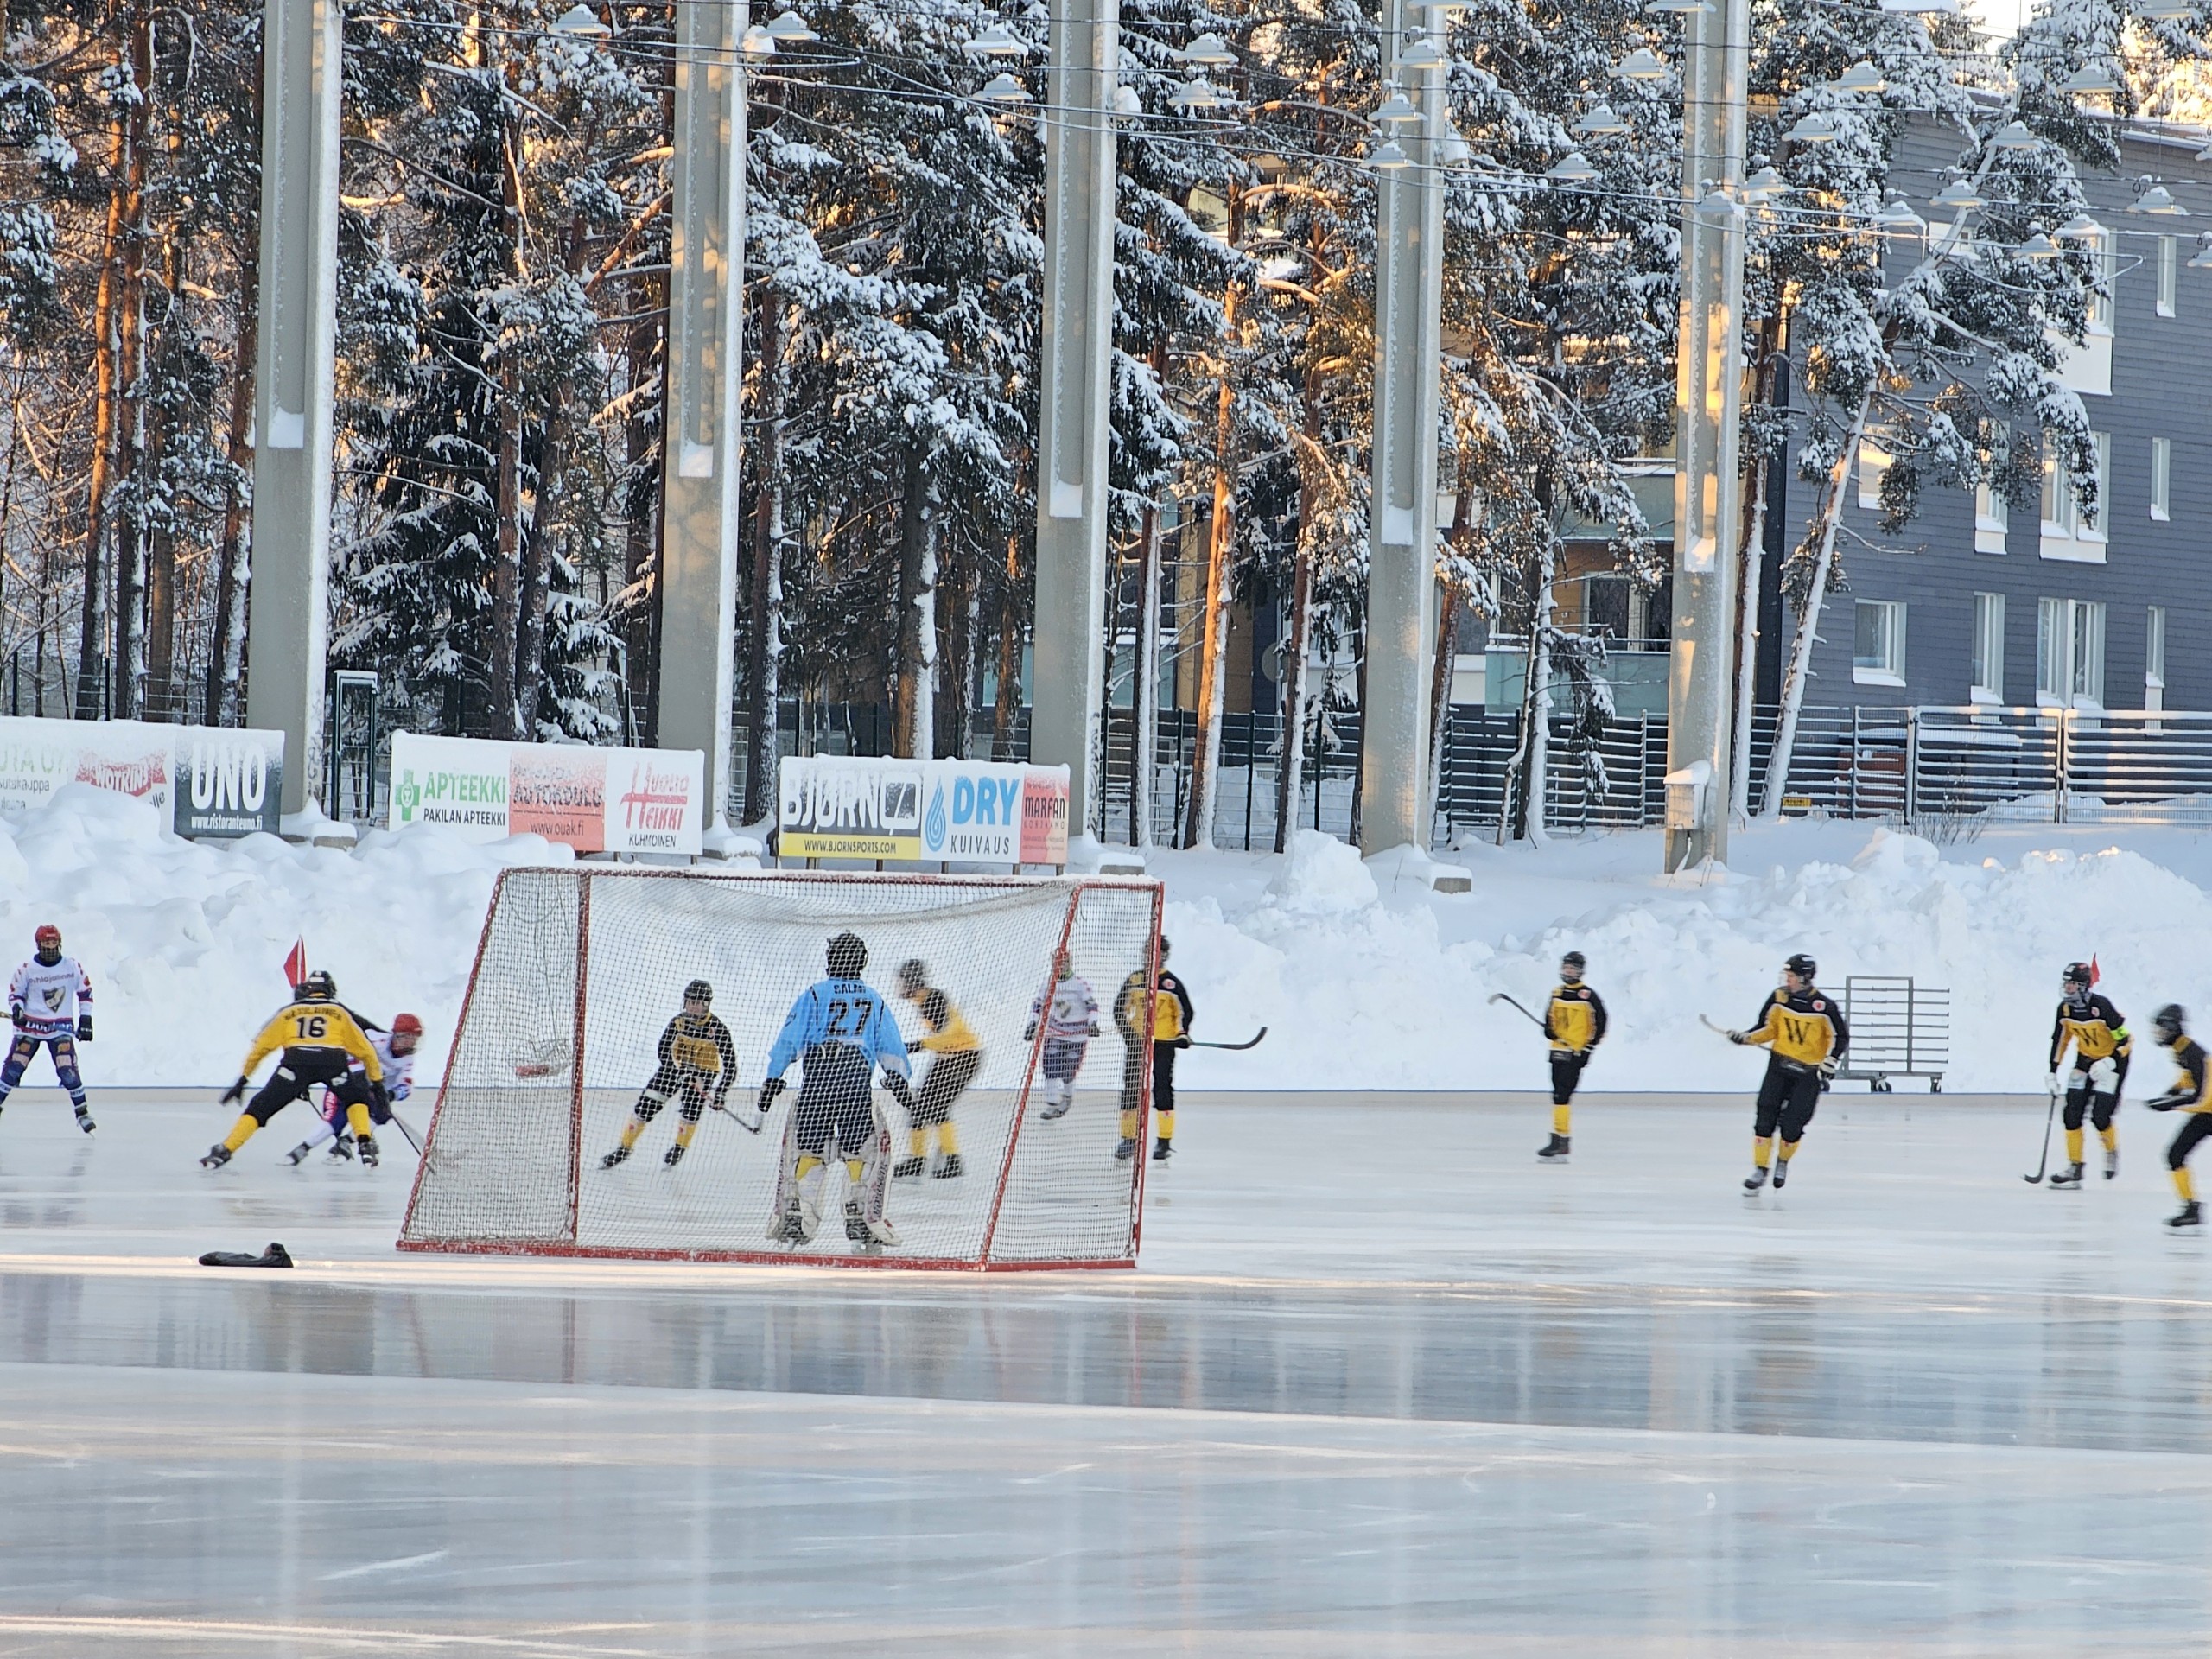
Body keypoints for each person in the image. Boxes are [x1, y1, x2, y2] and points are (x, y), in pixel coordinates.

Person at [757, 931, 914, 1246]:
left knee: (810, 1147)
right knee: (861, 1149)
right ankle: (858, 1217)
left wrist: (774, 1077)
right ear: (862, 962)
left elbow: (790, 1038)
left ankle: (799, 1216)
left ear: (831, 960)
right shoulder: (872, 998)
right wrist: (898, 1079)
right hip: (854, 1078)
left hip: (818, 1077)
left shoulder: (815, 995)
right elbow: (890, 1044)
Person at [201, 971, 386, 1168]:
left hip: (295, 1064)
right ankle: (365, 1142)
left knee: (259, 1108)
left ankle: (226, 1149)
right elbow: (367, 1051)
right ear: (330, 991)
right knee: (355, 1099)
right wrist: (377, 1084)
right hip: (332, 1062)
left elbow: (261, 1048)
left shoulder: (288, 1012)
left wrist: (243, 1079)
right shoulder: (339, 1012)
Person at [1726, 952, 1847, 1192]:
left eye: (1792, 976)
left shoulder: (1825, 1007)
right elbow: (1766, 1028)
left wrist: (1830, 1060)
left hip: (1808, 1073)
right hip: (1779, 1066)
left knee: (1794, 1123)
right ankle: (1760, 1169)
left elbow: (1840, 1036)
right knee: (1765, 1114)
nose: (1787, 980)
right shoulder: (1779, 998)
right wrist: (1745, 1038)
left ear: (1805, 978)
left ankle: (1782, 1161)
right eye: (1787, 975)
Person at [601, 980, 737, 1169]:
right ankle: (624, 1148)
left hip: (703, 1074)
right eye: (689, 1002)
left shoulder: (718, 1029)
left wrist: (721, 1093)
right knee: (646, 1104)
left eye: (697, 1003)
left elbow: (731, 1066)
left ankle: (679, 1148)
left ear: (706, 1004)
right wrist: (677, 1070)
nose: (692, 1007)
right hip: (675, 1068)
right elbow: (663, 1050)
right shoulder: (678, 1022)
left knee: (691, 1109)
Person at [284, 1013, 424, 1166]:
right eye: (408, 1038)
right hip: (345, 1083)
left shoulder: (408, 1060)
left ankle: (346, 1141)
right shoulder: (374, 1040)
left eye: (414, 1039)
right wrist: (359, 1077)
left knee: (383, 1112)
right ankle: (303, 1148)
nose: (411, 1043)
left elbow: (406, 1085)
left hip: (372, 1093)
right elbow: (347, 1052)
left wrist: (391, 1094)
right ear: (397, 1036)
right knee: (338, 1118)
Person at [0, 925, 95, 1133]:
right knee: (14, 1068)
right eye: (46, 943)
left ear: (59, 943)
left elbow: (85, 992)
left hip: (60, 1027)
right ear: (38, 944)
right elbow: (15, 994)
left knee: (67, 1070)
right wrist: (18, 1010)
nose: (50, 947)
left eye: (53, 942)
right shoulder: (26, 970)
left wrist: (86, 1020)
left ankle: (82, 1112)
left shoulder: (71, 966)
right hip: (30, 1028)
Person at [2048, 961, 2131, 1189]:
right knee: (2071, 1114)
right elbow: (2060, 1041)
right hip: (2085, 1060)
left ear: (2084, 986)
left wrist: (2111, 1060)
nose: (2068, 989)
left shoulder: (2101, 1006)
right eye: (2066, 984)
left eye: (2072, 984)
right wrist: (2052, 1072)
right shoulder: (2064, 1010)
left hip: (2112, 1061)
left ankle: (2111, 1151)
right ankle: (2075, 1166)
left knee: (2100, 1116)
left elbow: (2126, 1039)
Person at [894, 958, 979, 1180]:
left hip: (963, 1057)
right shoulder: (923, 1001)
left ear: (913, 981)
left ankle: (953, 1161)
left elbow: (948, 1035)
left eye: (903, 981)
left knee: (937, 1108)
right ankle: (917, 1160)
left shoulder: (934, 1000)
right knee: (919, 1108)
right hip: (947, 1057)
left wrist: (917, 1045)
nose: (901, 986)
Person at [1115, 938, 1194, 1163]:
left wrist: (1182, 1035)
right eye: (1148, 951)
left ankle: (1164, 1140)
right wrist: (1129, 1033)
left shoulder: (1171, 983)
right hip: (1138, 1042)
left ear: (1164, 955)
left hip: (1164, 1044)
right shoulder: (1135, 979)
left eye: (1157, 952)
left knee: (1162, 1088)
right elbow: (1119, 1009)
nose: (1152, 955)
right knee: (1131, 1087)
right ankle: (1128, 1139)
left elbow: (1185, 1013)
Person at [2145, 1003, 2209, 1230]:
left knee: (2175, 1155)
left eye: (2162, 1029)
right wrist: (2168, 1094)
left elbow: (2199, 1096)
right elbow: (2187, 1080)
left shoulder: (2194, 1054)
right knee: (2174, 1156)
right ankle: (2191, 1208)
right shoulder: (2180, 1050)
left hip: (2207, 1110)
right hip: (2207, 1114)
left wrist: (2170, 1104)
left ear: (2173, 1028)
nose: (2159, 1034)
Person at [1538, 950, 1606, 1162]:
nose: (1568, 971)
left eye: (1572, 968)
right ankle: (1559, 1138)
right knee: (1557, 1095)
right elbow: (1550, 1018)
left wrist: (1588, 1049)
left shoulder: (1588, 996)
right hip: (1557, 1050)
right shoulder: (1557, 993)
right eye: (1566, 967)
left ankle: (1561, 1139)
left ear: (1580, 971)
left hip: (1575, 1053)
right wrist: (1548, 1029)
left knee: (1564, 1094)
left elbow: (1601, 1023)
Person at [1027, 952, 1099, 1123]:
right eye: (1056, 962)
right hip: (1056, 1032)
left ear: (1069, 963)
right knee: (1051, 1067)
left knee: (1068, 1070)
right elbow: (1037, 1004)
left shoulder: (1079, 984)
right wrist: (1032, 1024)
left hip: (1076, 1036)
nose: (1059, 965)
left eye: (1063, 962)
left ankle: (1066, 1099)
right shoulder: (1048, 983)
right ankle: (1051, 1105)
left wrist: (1093, 1024)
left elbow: (1092, 1006)